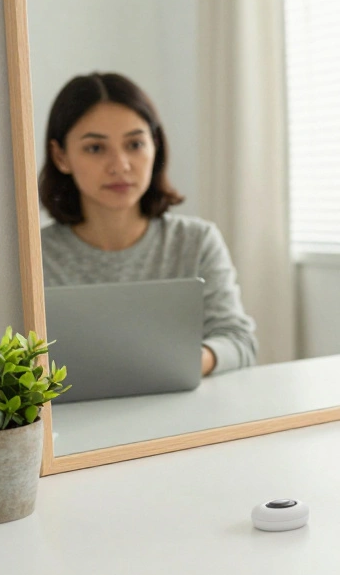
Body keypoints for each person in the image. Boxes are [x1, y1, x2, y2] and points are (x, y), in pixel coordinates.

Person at [39, 72, 257, 377]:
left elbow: (239, 341)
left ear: (155, 147)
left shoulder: (196, 241)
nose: (121, 165)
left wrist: (184, 363)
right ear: (61, 156)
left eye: (135, 144)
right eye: (96, 148)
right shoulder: (35, 256)